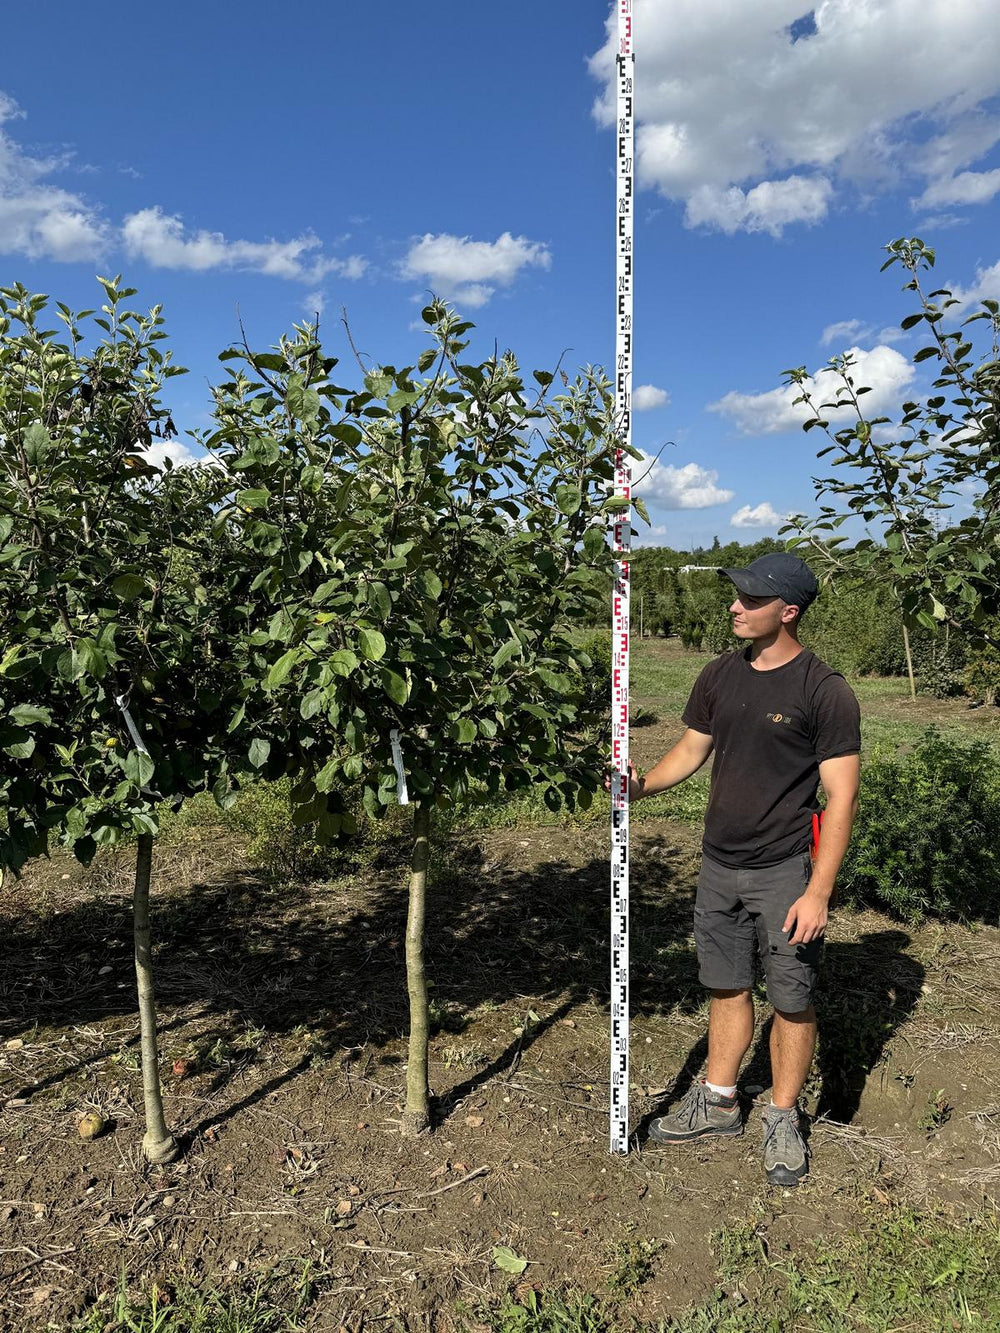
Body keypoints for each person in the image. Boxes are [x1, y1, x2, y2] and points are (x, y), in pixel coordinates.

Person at [623, 553, 860, 1185]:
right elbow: (691, 750)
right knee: (725, 984)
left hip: (785, 869)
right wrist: (641, 786)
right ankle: (720, 1099)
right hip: (717, 864)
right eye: (736, 596)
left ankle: (783, 1116)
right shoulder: (719, 674)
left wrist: (818, 892)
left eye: (750, 599)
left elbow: (841, 797)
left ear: (789, 611)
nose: (735, 606)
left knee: (791, 997)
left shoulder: (823, 689)